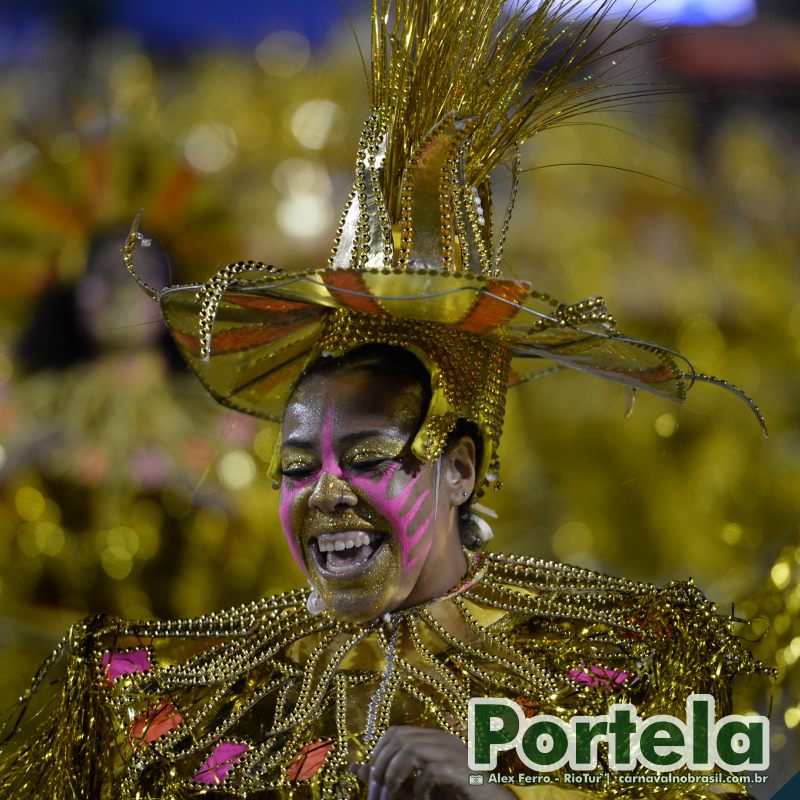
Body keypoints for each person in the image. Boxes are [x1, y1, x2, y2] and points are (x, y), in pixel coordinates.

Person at [0, 1, 770, 798]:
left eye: (368, 457)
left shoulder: (612, 662)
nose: (325, 493)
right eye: (296, 468)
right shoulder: (206, 695)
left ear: (460, 467)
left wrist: (497, 790)